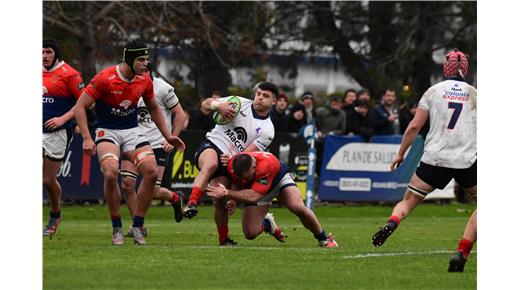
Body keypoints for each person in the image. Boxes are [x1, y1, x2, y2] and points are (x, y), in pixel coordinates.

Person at [370, 49, 477, 273]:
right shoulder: (475, 94)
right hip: (467, 159)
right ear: (465, 68)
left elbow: (414, 126)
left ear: (445, 68)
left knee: (408, 201)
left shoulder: (433, 91)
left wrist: (401, 154)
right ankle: (462, 250)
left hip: (435, 158)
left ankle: (393, 221)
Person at [75, 40, 185, 245]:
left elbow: (154, 109)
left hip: (132, 131)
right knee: (110, 173)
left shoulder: (144, 81)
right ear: (130, 59)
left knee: (151, 172)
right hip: (107, 130)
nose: (146, 64)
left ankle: (137, 225)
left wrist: (167, 135)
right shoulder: (105, 78)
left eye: (147, 59)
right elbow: (81, 106)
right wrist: (87, 138)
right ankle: (116, 226)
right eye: (142, 60)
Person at [183, 82, 279, 246]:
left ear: (274, 101)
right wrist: (218, 106)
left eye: (266, 96)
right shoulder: (239, 103)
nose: (260, 98)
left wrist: (234, 160)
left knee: (220, 198)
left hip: (231, 161)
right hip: (212, 145)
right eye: (259, 94)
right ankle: (192, 203)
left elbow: (247, 155)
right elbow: (205, 104)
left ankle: (224, 239)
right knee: (211, 164)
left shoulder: (268, 130)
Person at [206, 151, 338, 248]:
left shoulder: (266, 165)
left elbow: (254, 196)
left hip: (278, 181)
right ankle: (267, 224)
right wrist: (233, 201)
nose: (245, 180)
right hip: (256, 189)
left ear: (253, 167)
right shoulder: (233, 165)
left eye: (247, 176)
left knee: (297, 207)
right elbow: (237, 182)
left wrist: (227, 192)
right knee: (250, 234)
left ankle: (325, 239)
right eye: (243, 178)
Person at [120, 65, 186, 238]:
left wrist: (171, 137)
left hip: (158, 144)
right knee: (127, 184)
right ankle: (138, 226)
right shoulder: (125, 86)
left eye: (142, 71)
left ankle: (175, 198)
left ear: (149, 72)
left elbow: (180, 114)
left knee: (154, 191)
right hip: (133, 142)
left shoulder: (163, 88)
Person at [42, 38, 85, 236]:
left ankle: (55, 213)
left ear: (56, 54)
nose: (44, 56)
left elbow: (85, 102)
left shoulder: (70, 74)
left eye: (48, 52)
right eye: (41, 52)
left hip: (57, 133)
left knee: (48, 181)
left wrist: (62, 119)